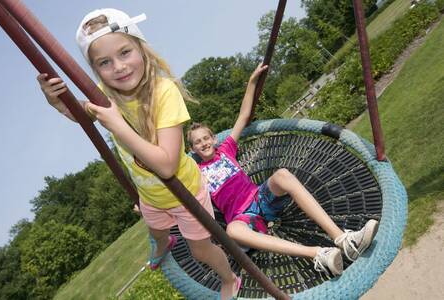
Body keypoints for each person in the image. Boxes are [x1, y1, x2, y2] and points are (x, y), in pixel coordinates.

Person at [37, 8, 240, 299]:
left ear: (141, 49)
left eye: (124, 53)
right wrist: (58, 104)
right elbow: (82, 114)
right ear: (95, 69)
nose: (118, 67)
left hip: (186, 193)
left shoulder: (163, 92)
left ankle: (229, 278)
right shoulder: (104, 94)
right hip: (150, 197)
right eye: (105, 62)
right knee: (157, 234)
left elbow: (167, 166)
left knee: (201, 250)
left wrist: (118, 126)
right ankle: (162, 243)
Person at [187, 64, 379, 277]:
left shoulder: (226, 149)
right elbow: (175, 175)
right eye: (197, 142)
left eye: (206, 138)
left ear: (214, 139)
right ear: (192, 149)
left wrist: (251, 82)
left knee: (282, 175)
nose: (203, 143)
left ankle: (344, 240)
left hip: (260, 198)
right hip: (243, 217)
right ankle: (318, 254)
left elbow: (243, 115)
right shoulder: (196, 172)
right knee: (232, 230)